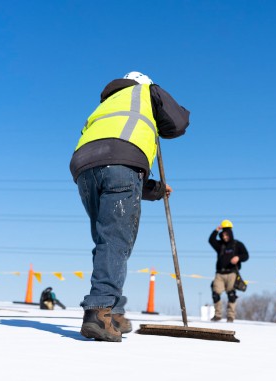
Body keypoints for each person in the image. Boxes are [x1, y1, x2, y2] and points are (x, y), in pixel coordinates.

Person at [70, 71, 190, 342]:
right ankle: (99, 311)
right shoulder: (146, 91)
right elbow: (179, 123)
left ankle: (114, 311)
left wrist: (154, 189)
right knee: (115, 241)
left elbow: (111, 165)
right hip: (121, 163)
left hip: (84, 166)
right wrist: (158, 119)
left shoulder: (107, 103)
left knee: (108, 240)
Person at [208, 219, 249, 322]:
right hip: (220, 273)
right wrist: (216, 230)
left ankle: (230, 316)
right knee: (215, 293)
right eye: (223, 235)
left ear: (230, 234)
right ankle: (217, 315)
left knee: (231, 294)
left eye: (226, 235)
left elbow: (246, 255)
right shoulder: (220, 245)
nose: (225, 237)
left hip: (232, 273)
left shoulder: (237, 244)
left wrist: (238, 258)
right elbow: (211, 240)